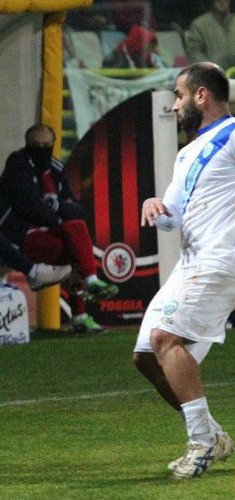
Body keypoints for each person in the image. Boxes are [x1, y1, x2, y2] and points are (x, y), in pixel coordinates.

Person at [135, 62, 234, 479]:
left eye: (178, 95)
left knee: (164, 337)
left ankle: (200, 442)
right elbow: (173, 218)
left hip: (220, 259)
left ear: (201, 95)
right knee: (145, 357)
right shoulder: (187, 152)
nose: (174, 105)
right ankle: (214, 436)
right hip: (190, 261)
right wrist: (154, 207)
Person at [0, 124, 119, 333]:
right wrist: (59, 218)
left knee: (76, 231)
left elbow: (76, 209)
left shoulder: (55, 169)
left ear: (52, 145)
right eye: (36, 145)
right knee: (75, 243)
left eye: (46, 145)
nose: (42, 149)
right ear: (28, 145)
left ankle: (87, 294)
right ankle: (84, 303)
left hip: (47, 233)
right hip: (17, 236)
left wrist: (59, 207)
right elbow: (30, 207)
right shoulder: (18, 166)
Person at [186, 0, 235, 70]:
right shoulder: (199, 25)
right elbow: (193, 52)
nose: (221, 1)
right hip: (211, 76)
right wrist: (210, 68)